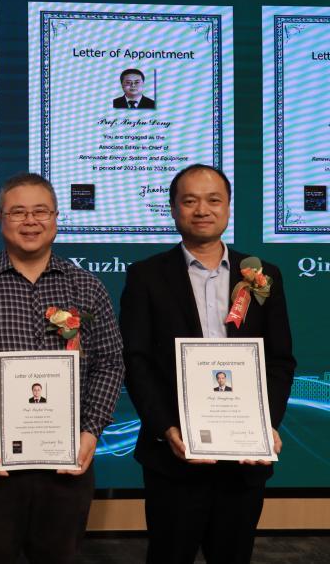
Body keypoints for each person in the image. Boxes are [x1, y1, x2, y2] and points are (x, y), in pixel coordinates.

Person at [0, 173, 124, 564]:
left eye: (41, 211)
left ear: (56, 218)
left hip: (67, 457)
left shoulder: (86, 286)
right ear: (1, 220)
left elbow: (109, 362)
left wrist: (91, 431)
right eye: (17, 212)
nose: (30, 221)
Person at [120, 163, 296, 564]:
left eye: (214, 200)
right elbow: (136, 360)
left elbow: (280, 360)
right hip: (173, 456)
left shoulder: (263, 274)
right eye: (190, 201)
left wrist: (264, 424)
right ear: (173, 209)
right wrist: (167, 429)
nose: (202, 210)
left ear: (228, 207)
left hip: (244, 460)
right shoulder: (146, 276)